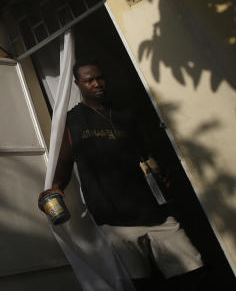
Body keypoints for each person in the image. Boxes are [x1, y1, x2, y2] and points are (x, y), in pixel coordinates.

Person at [39, 60, 205, 290]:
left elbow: (145, 154)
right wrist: (55, 186)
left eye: (100, 78)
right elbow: (65, 162)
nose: (97, 84)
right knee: (137, 283)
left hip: (155, 213)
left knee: (191, 271)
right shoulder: (72, 121)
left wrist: (161, 173)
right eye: (89, 80)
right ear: (77, 84)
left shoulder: (125, 114)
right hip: (115, 221)